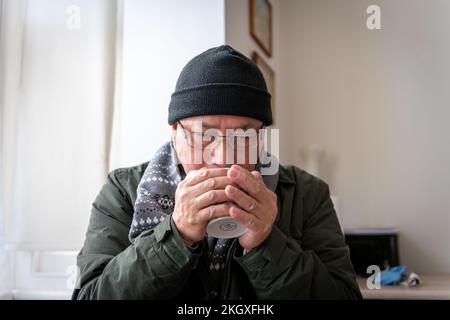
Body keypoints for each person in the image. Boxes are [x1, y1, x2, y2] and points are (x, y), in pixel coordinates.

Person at [72, 45, 362, 300]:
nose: (223, 158)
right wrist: (174, 238)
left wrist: (268, 245)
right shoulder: (123, 190)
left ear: (261, 137)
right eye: (204, 135)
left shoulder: (307, 194)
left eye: (244, 136)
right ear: (176, 134)